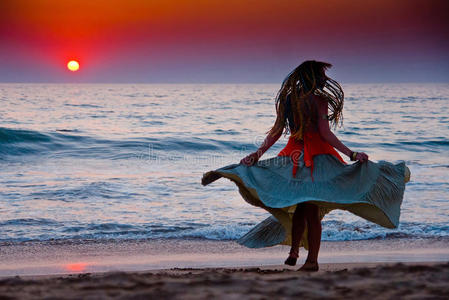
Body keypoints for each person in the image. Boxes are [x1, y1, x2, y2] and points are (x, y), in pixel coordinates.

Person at [202, 60, 410, 272]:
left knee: (302, 205)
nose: (324, 79)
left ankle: (295, 251)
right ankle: (311, 260)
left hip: (293, 158)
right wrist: (351, 154)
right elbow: (324, 133)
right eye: (320, 75)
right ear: (311, 77)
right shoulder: (319, 101)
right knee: (309, 210)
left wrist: (258, 153)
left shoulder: (289, 99)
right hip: (318, 160)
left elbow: (275, 132)